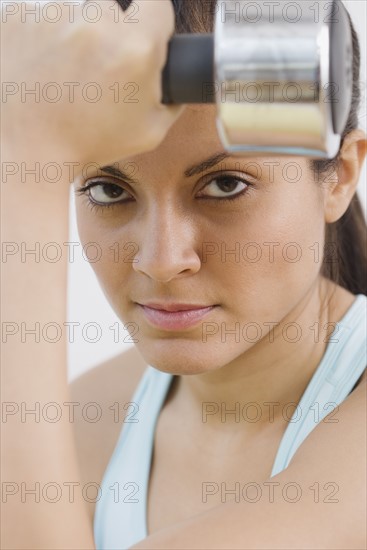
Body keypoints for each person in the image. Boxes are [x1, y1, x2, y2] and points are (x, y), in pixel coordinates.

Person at [2, 1, 366, 549]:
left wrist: (23, 157)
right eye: (108, 189)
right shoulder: (84, 421)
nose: (161, 258)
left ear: (338, 176)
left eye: (225, 186)